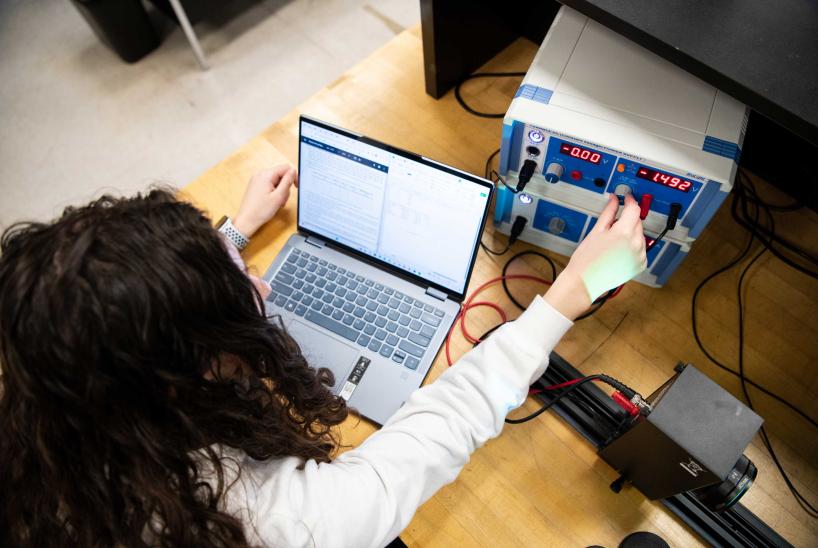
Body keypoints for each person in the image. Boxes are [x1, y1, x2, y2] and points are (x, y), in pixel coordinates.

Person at [0, 165, 646, 547]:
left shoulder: (60, 379)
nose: (263, 284)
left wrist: (226, 235)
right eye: (239, 291)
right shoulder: (268, 522)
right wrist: (564, 298)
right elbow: (428, 441)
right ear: (185, 372)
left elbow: (129, 314)